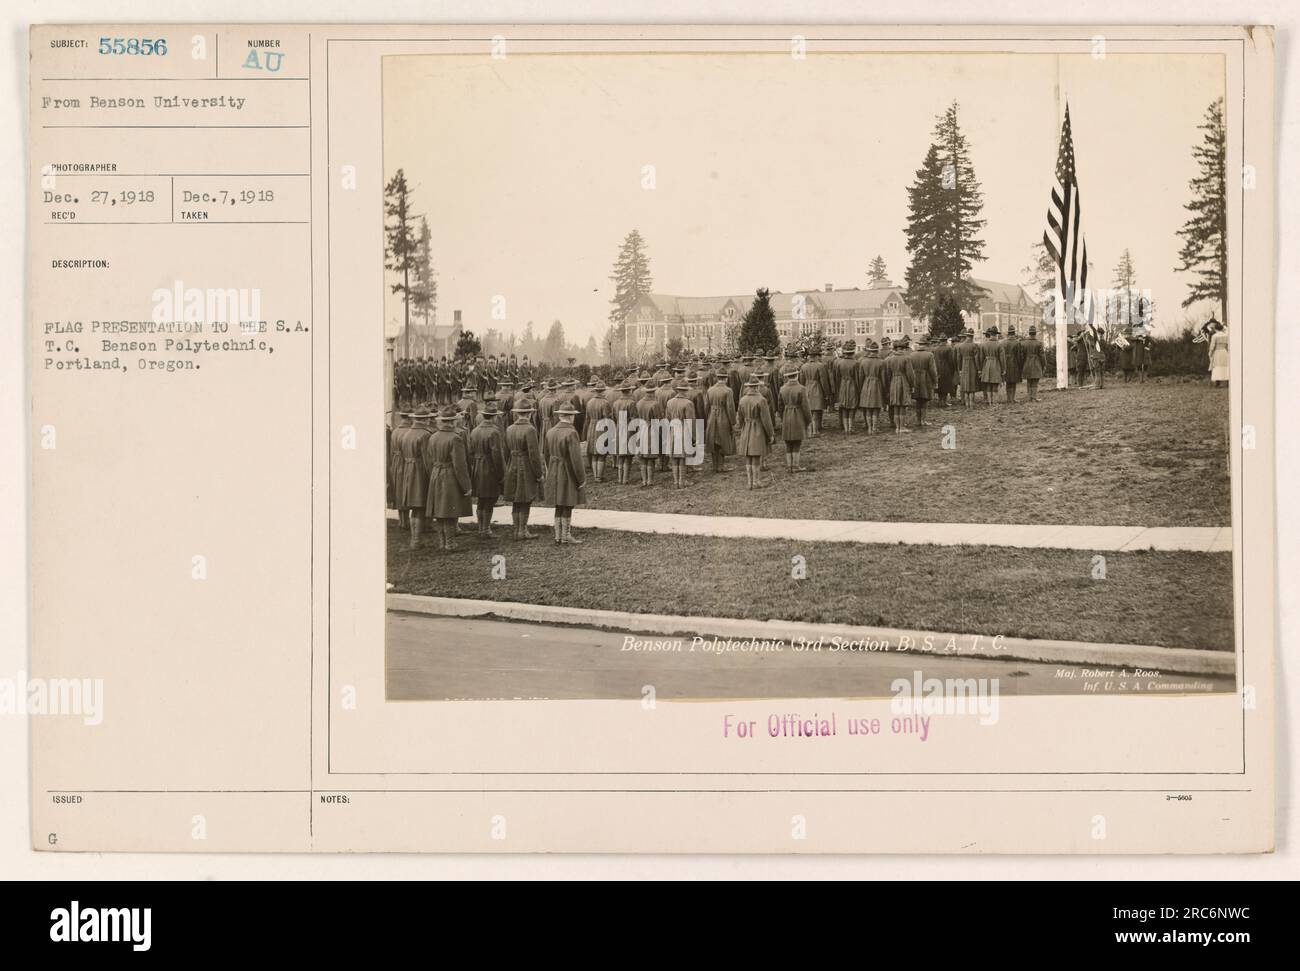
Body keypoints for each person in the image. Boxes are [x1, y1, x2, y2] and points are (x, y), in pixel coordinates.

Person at [424, 406, 473, 551]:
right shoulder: (455, 438)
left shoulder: (433, 437)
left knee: (439, 510)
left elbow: (429, 459)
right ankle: (450, 543)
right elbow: (460, 465)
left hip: (435, 474)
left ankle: (442, 542)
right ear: (453, 422)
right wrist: (466, 486)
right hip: (449, 476)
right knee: (450, 511)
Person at [545, 402, 587, 544]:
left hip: (553, 468)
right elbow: (576, 458)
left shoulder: (550, 431)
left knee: (558, 502)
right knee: (568, 502)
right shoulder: (571, 432)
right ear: (571, 417)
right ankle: (566, 535)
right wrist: (581, 478)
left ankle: (558, 535)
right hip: (566, 470)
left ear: (560, 416)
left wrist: (549, 468)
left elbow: (546, 454)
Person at [503, 400, 545, 540]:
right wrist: (539, 474)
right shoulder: (530, 429)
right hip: (525, 466)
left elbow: (505, 451)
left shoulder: (509, 429)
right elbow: (534, 454)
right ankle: (522, 530)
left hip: (512, 464)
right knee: (526, 499)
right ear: (529, 414)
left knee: (516, 499)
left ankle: (517, 530)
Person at [467, 399, 508, 538]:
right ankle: (486, 529)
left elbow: (470, 452)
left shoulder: (474, 431)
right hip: (489, 468)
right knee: (490, 499)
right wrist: (501, 474)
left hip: (477, 467)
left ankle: (481, 528)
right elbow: (497, 455)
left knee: (481, 499)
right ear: (495, 416)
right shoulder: (494, 432)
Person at [397, 408, 434, 548]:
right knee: (419, 506)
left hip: (408, 471)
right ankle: (416, 541)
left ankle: (415, 539)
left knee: (414, 506)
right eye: (428, 418)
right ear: (424, 420)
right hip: (420, 472)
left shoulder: (407, 434)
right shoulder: (425, 435)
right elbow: (427, 459)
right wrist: (431, 476)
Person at [736, 377, 775, 489]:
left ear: (749, 387)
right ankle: (756, 481)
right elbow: (766, 420)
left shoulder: (742, 399)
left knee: (748, 456)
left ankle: (749, 482)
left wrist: (743, 427)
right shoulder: (761, 400)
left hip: (746, 428)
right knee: (756, 455)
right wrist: (770, 434)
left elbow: (740, 417)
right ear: (757, 387)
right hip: (757, 428)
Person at [778, 368, 812, 473]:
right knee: (797, 442)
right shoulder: (801, 388)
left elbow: (779, 405)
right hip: (798, 415)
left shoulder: (782, 388)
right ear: (796, 376)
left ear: (787, 376)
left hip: (786, 415)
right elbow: (806, 407)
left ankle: (789, 466)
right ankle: (796, 466)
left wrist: (782, 416)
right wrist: (809, 420)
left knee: (788, 443)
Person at [703, 368, 737, 473]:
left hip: (712, 417)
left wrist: (708, 418)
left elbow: (706, 407)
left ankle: (714, 466)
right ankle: (721, 466)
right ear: (726, 378)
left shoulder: (710, 390)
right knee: (723, 440)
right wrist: (733, 422)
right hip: (723, 417)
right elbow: (730, 408)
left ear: (717, 378)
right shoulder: (728, 390)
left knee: (713, 440)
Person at [665, 382, 697, 488]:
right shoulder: (688, 403)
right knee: (682, 457)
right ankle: (682, 481)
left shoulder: (670, 402)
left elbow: (667, 418)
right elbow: (690, 421)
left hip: (673, 430)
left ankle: (675, 482)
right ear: (686, 390)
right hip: (684, 430)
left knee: (674, 457)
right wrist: (693, 437)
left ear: (678, 390)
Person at [634, 377, 663, 487]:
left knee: (642, 458)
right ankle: (650, 480)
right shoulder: (655, 404)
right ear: (654, 391)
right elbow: (658, 419)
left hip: (640, 428)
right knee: (650, 458)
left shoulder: (639, 403)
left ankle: (644, 480)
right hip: (651, 430)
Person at [884, 335, 916, 433]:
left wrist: (889, 385)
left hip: (893, 382)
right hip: (903, 381)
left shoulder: (889, 359)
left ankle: (897, 427)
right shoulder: (906, 359)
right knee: (902, 405)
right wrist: (912, 385)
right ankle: (902, 427)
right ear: (903, 349)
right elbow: (910, 374)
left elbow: (887, 374)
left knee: (896, 405)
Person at [583, 382, 613, 482]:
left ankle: (596, 475)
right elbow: (607, 418)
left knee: (594, 452)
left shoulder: (589, 402)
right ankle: (599, 476)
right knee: (601, 453)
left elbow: (586, 418)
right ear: (603, 391)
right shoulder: (605, 403)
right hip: (601, 427)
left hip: (591, 427)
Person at [856, 340, 886, 433]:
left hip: (866, 384)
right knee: (876, 407)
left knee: (868, 407)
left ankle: (869, 428)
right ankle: (874, 428)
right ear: (877, 351)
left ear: (869, 351)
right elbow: (883, 377)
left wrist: (860, 388)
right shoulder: (881, 362)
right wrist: (884, 389)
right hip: (877, 385)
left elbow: (860, 377)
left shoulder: (863, 361)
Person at [798, 350, 830, 437]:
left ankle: (809, 431)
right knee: (816, 410)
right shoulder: (820, 366)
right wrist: (827, 393)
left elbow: (801, 381)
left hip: (807, 388)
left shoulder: (803, 366)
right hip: (817, 388)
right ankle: (815, 431)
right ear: (816, 356)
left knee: (809, 410)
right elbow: (823, 381)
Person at [831, 341, 860, 432]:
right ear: (853, 353)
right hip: (852, 385)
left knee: (843, 407)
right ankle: (851, 428)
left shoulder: (839, 363)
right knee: (852, 406)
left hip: (842, 385)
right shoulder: (856, 363)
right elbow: (857, 378)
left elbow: (836, 377)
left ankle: (846, 428)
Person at [909, 335, 938, 427]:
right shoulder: (929, 355)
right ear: (926, 345)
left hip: (915, 378)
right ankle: (923, 420)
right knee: (925, 400)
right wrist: (935, 381)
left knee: (918, 400)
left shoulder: (912, 355)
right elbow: (933, 370)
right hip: (926, 378)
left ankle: (918, 420)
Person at [954, 329, 980, 410]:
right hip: (972, 366)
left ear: (966, 336)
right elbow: (976, 358)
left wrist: (960, 369)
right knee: (972, 387)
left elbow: (958, 359)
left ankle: (967, 404)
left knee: (965, 387)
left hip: (964, 366)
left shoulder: (961, 346)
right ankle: (971, 405)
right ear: (972, 336)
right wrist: (978, 369)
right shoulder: (974, 345)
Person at [1020, 326, 1045, 401]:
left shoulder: (1023, 343)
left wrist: (1022, 364)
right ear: (1035, 334)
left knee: (1029, 380)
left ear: (1029, 333)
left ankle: (1029, 397)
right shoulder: (1039, 343)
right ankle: (1034, 397)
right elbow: (1042, 356)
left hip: (1027, 363)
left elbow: (1021, 356)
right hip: (1036, 363)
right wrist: (1044, 364)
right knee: (1035, 381)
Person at [979, 327, 1003, 404]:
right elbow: (1002, 358)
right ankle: (995, 402)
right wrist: (1004, 369)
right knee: (995, 384)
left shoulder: (984, 344)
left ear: (990, 334)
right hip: (996, 364)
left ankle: (989, 402)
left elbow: (981, 357)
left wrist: (981, 368)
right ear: (996, 335)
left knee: (988, 384)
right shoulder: (999, 345)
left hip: (986, 365)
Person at [934, 335, 957, 407]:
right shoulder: (949, 348)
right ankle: (944, 401)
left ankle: (940, 401)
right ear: (946, 340)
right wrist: (952, 369)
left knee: (940, 384)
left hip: (937, 367)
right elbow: (951, 360)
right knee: (946, 385)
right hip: (946, 368)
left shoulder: (936, 349)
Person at [1208, 319, 1229, 386]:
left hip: (1217, 352)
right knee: (1225, 367)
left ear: (1216, 329)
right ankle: (1227, 382)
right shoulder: (1226, 335)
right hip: (1225, 352)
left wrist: (1210, 353)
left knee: (1217, 367)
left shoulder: (1215, 336)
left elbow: (1212, 346)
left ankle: (1217, 383)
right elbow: (1228, 345)